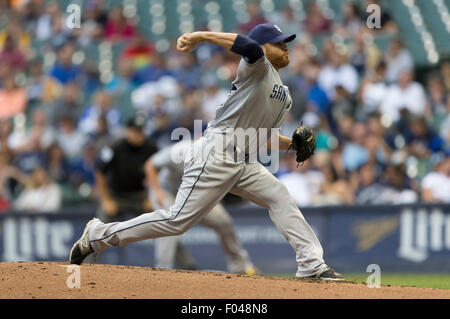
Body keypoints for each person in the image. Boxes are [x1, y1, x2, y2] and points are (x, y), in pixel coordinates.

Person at [70, 24, 344, 280]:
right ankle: (98, 234)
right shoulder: (257, 68)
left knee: (279, 195)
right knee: (177, 221)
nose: (285, 47)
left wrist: (293, 144)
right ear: (263, 47)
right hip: (216, 153)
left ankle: (311, 264)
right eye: (278, 43)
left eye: (286, 43)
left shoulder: (285, 95)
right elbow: (248, 47)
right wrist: (201, 35)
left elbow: (265, 138)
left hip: (243, 161)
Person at [147, 139, 258, 274]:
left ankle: (241, 266)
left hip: (193, 194)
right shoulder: (180, 150)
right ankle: (161, 270)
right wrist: (157, 191)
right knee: (169, 225)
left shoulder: (217, 159)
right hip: (168, 192)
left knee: (223, 222)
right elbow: (150, 165)